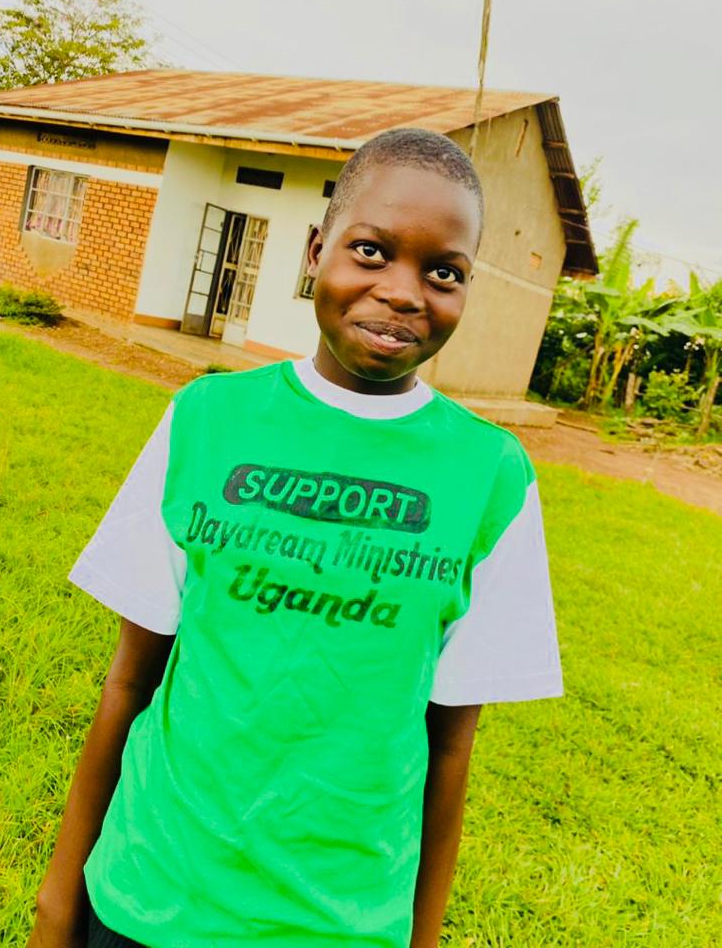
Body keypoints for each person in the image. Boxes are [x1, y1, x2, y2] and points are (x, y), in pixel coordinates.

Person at [27, 128, 563, 948]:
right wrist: (57, 902)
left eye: (444, 272)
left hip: (337, 926)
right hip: (150, 894)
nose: (404, 292)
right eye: (371, 251)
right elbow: (129, 682)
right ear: (317, 251)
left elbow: (450, 750)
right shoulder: (206, 421)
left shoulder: (491, 477)